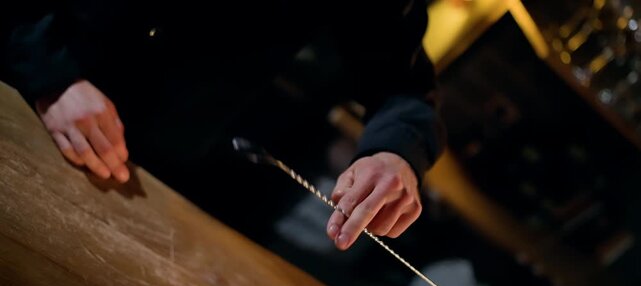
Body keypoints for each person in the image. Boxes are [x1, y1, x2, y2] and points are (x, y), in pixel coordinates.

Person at [1, 0, 445, 250]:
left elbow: (404, 87)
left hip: (150, 170)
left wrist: (396, 153)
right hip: (20, 100)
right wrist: (49, 66)